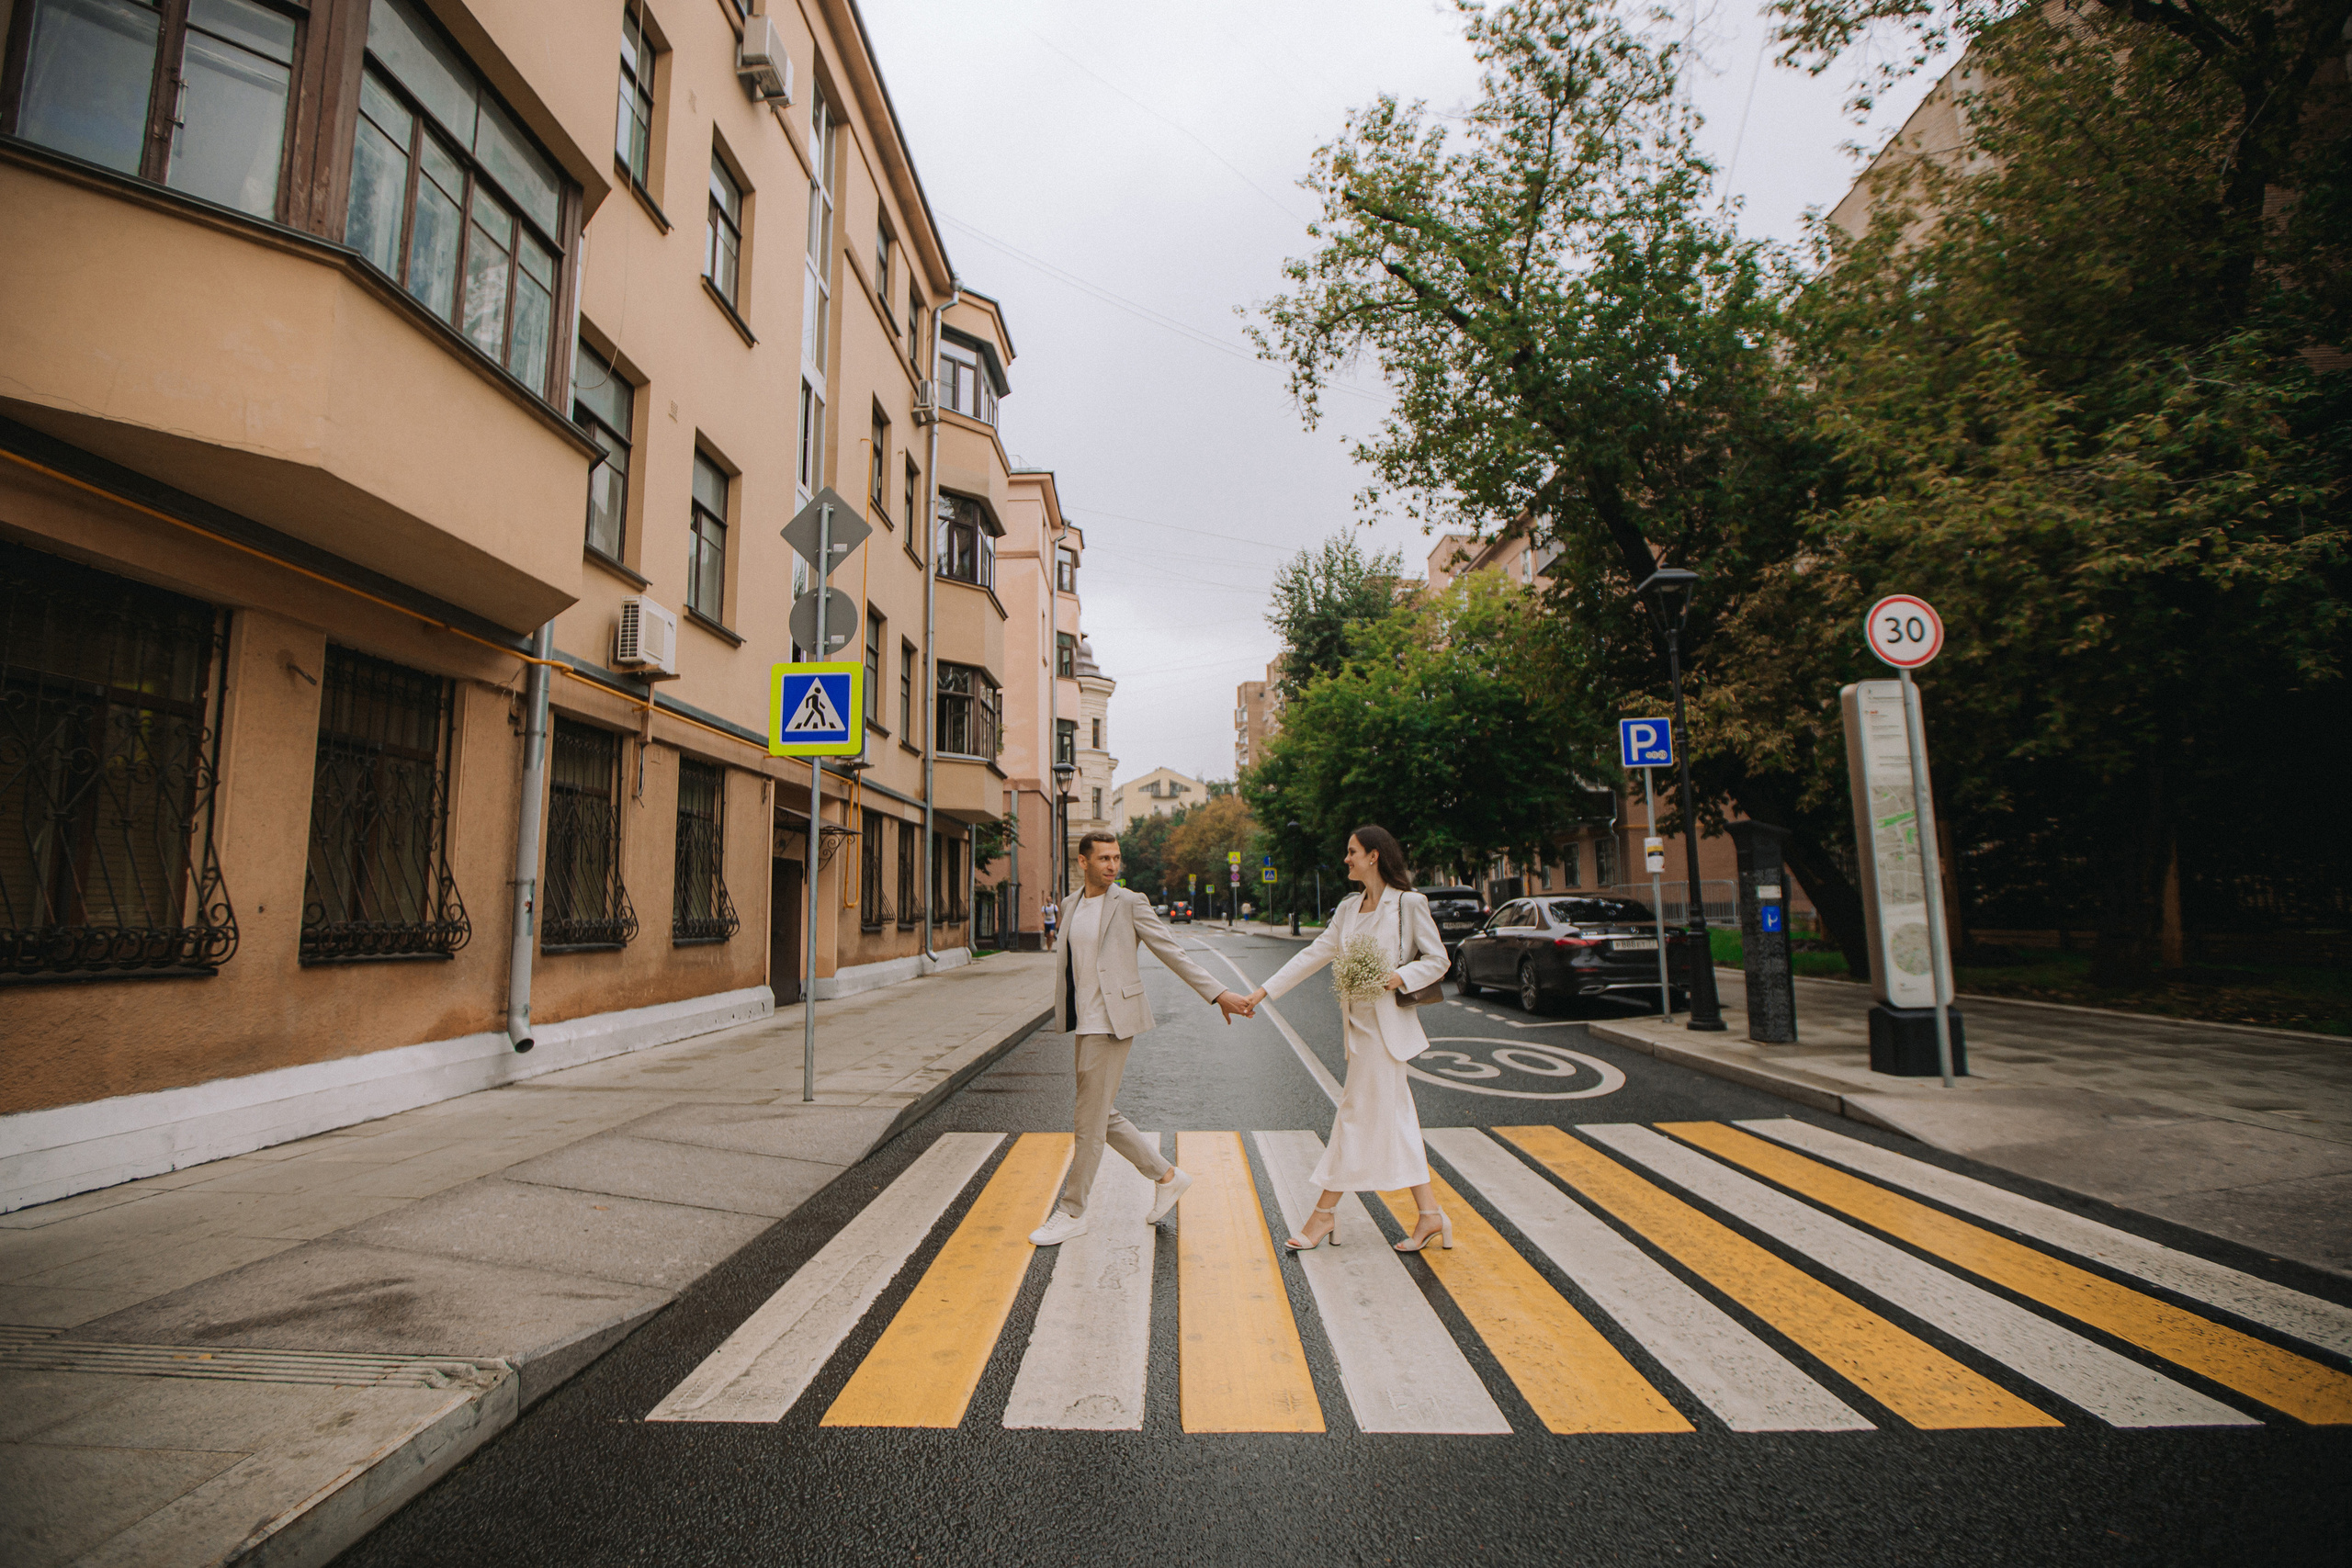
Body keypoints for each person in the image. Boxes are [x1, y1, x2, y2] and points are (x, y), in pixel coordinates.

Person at [1030, 830, 1255, 1247]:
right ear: (1083, 862)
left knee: (1087, 1122)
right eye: (1103, 859)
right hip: (1086, 1022)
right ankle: (1167, 1176)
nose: (1113, 866)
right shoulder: (1069, 905)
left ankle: (1072, 1211)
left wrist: (1219, 994)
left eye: (1117, 858)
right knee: (1100, 1113)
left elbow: (1172, 951)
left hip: (1114, 1022)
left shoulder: (1130, 903)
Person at [1243, 826, 1454, 1254]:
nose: (1346, 859)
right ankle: (1430, 1214)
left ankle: (1323, 1214)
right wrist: (1262, 993)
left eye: (1352, 852)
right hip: (1357, 1029)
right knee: (1396, 1120)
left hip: (1386, 1030)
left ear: (1374, 856)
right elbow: (1314, 953)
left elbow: (1438, 959)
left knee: (1355, 1115)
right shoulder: (1347, 908)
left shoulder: (1408, 904)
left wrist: (1398, 977)